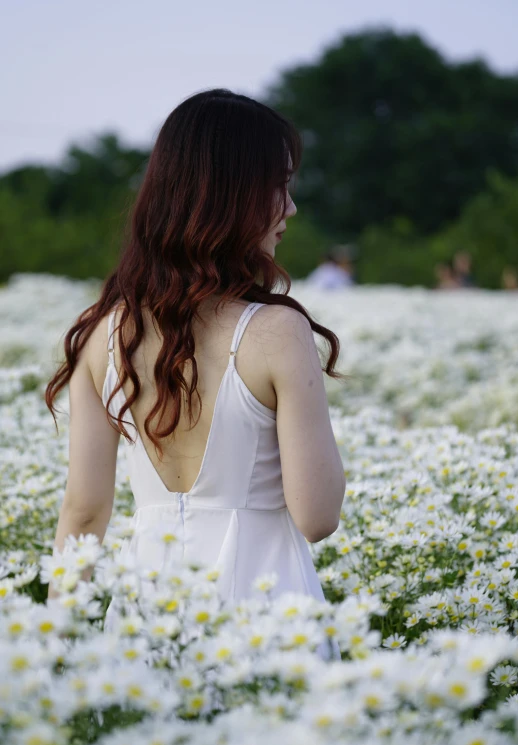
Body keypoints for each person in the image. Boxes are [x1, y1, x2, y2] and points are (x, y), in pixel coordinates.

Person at [44, 89, 346, 661]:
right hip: (267, 618)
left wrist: (49, 654)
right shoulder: (276, 331)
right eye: (278, 186)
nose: (291, 208)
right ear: (232, 194)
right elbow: (317, 515)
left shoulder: (100, 335)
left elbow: (83, 512)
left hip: (142, 622)